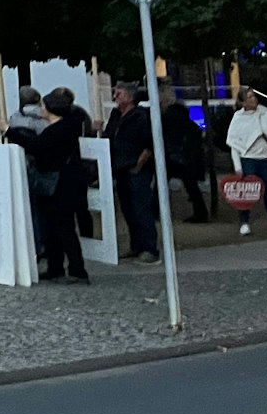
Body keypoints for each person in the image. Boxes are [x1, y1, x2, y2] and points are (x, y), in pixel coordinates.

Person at [11, 87, 90, 283]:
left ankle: (77, 270)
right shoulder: (69, 125)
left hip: (60, 185)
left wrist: (7, 130)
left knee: (63, 228)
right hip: (60, 183)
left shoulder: (58, 130)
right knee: (53, 228)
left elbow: (36, 146)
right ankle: (56, 267)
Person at [104, 83, 161, 263]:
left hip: (136, 168)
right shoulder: (115, 115)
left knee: (141, 207)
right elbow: (109, 135)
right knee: (128, 208)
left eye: (119, 94)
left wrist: (139, 163)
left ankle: (149, 247)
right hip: (119, 167)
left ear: (130, 97)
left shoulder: (141, 116)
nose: (115, 97)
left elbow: (149, 142)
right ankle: (136, 244)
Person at [158, 92, 211, 223]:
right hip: (187, 156)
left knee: (161, 183)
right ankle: (200, 212)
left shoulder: (167, 117)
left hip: (174, 156)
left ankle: (155, 210)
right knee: (191, 186)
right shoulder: (185, 117)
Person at [225, 88, 267, 234]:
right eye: (249, 97)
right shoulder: (238, 118)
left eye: (254, 97)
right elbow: (234, 145)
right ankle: (244, 222)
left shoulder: (265, 114)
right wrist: (238, 167)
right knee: (246, 193)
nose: (253, 100)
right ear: (242, 101)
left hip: (266, 159)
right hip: (248, 160)